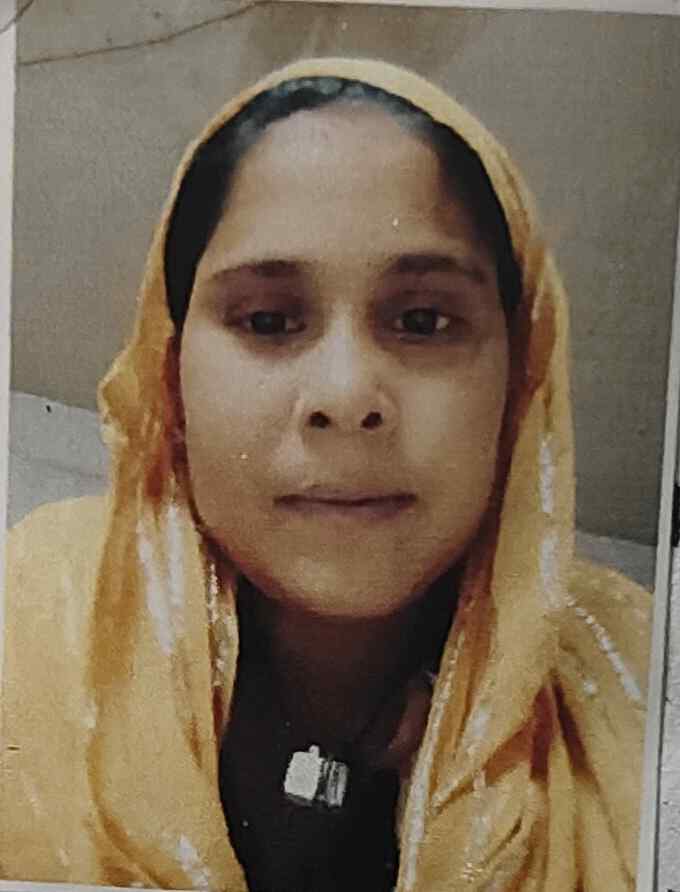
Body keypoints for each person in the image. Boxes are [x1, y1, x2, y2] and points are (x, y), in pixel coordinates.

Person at [1, 57, 651, 891]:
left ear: (520, 383)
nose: (346, 397)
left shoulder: (639, 696)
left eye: (423, 321)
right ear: (171, 374)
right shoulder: (36, 623)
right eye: (269, 320)